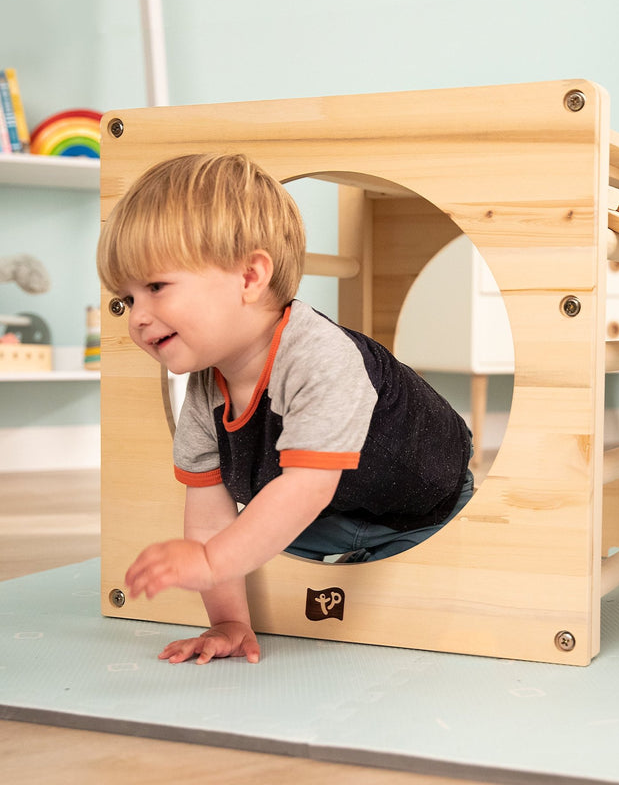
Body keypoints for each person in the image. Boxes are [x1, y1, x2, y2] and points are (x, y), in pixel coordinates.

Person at [96, 153, 474, 665]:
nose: (138, 318)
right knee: (265, 545)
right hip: (340, 515)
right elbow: (209, 515)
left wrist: (211, 562)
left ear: (250, 277)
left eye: (156, 287)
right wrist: (227, 621)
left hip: (429, 510)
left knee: (443, 606)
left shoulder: (319, 356)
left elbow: (306, 487)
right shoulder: (206, 391)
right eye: (125, 300)